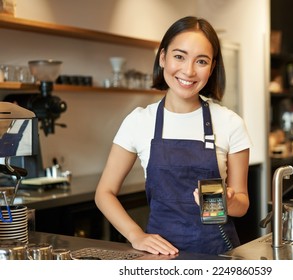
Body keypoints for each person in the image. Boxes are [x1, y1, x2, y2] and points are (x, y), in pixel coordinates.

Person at [95, 16, 251, 256]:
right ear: (163, 57)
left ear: (212, 67)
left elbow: (242, 205)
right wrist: (135, 235)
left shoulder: (230, 123)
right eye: (179, 56)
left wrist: (229, 202)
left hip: (218, 255)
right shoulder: (139, 121)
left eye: (201, 61)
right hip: (160, 257)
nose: (188, 71)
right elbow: (104, 193)